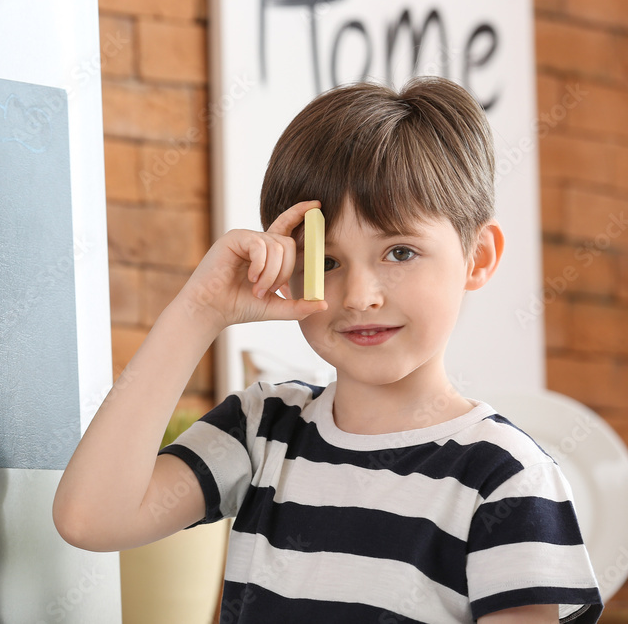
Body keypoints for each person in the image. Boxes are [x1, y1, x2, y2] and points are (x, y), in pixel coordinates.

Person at [53, 76, 603, 623]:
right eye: (328, 261)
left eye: (401, 252)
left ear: (478, 257)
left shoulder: (507, 479)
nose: (361, 297)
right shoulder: (261, 430)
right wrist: (199, 313)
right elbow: (91, 518)